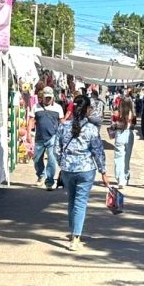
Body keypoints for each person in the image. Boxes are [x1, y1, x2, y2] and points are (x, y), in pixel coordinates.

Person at [55, 96, 110, 251]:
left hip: (68, 170)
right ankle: (75, 237)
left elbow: (56, 149)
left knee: (71, 201)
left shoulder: (63, 126)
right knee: (80, 202)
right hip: (86, 169)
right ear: (87, 110)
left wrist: (62, 162)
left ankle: (73, 231)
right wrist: (103, 172)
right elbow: (98, 152)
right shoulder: (92, 129)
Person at [28, 86, 64, 191]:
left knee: (52, 160)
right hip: (39, 138)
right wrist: (28, 133)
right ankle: (40, 175)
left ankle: (49, 181)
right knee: (37, 160)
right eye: (46, 97)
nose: (48, 99)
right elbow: (31, 120)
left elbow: (61, 122)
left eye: (50, 97)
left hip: (53, 138)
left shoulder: (58, 108)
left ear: (53, 97)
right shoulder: (36, 107)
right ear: (42, 97)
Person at [110, 97, 136, 189]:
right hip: (129, 134)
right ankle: (126, 176)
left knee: (118, 157)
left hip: (119, 134)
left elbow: (112, 124)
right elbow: (133, 125)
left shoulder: (117, 113)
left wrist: (116, 126)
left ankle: (120, 178)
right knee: (127, 157)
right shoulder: (132, 113)